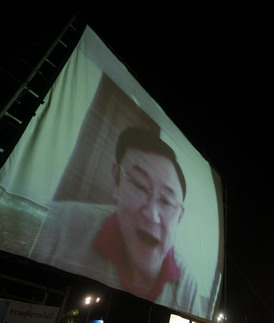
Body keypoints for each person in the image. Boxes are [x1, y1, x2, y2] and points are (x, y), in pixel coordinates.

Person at [31, 127, 200, 316]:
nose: (151, 214)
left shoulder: (188, 284)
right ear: (117, 181)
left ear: (180, 215)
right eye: (138, 185)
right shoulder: (56, 224)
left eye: (166, 200)